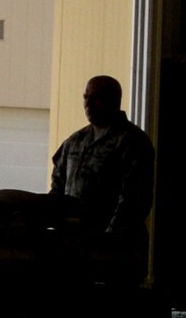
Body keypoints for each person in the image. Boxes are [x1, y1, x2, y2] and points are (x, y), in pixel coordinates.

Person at [50, 74, 155, 249]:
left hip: (117, 247)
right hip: (73, 242)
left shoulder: (132, 141)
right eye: (85, 97)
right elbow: (57, 189)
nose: (88, 104)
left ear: (114, 100)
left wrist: (109, 239)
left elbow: (134, 198)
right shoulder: (75, 140)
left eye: (96, 98)